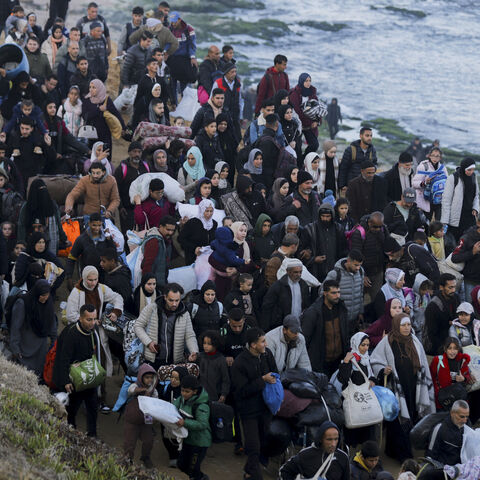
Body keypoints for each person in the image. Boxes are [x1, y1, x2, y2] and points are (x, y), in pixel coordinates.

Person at [370, 314, 435, 462]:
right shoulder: (387, 342)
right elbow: (374, 361)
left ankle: (393, 450)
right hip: (395, 390)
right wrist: (383, 370)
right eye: (403, 325)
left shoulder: (415, 341)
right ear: (396, 326)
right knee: (397, 421)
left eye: (408, 325)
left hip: (413, 388)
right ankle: (403, 456)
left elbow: (423, 363)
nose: (406, 328)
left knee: (410, 417)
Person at [231, 328, 278, 480]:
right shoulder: (240, 363)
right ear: (253, 345)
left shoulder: (267, 355)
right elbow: (241, 391)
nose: (266, 344)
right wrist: (262, 380)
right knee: (253, 446)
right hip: (248, 411)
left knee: (264, 442)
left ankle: (249, 471)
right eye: (262, 341)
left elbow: (275, 372)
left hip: (265, 408)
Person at [52, 304, 101, 437]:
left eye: (94, 319)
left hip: (88, 377)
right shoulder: (71, 333)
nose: (92, 323)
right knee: (72, 410)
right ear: (80, 318)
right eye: (88, 319)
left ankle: (92, 436)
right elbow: (63, 358)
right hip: (75, 380)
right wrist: (66, 381)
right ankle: (71, 435)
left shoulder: (93, 331)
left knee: (92, 408)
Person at [134, 283, 199, 369]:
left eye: (177, 300)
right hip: (153, 359)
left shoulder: (184, 314)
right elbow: (138, 326)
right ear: (165, 297)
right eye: (171, 300)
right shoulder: (152, 308)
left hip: (174, 361)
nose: (174, 304)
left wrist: (194, 351)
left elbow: (189, 335)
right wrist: (148, 342)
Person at [301, 279, 349, 376]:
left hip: (338, 361)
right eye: (334, 293)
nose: (338, 296)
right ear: (325, 293)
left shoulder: (341, 308)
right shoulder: (313, 312)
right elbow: (305, 338)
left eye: (339, 292)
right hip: (320, 362)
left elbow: (346, 332)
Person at [338, 335, 378, 449]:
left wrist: (372, 380)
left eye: (367, 345)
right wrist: (346, 362)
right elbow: (343, 378)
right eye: (363, 345)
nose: (365, 348)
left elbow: (371, 375)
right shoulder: (350, 358)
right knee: (353, 431)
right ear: (356, 344)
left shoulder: (366, 358)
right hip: (352, 400)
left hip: (365, 399)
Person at [9, 279, 56, 377]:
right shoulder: (23, 303)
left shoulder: (48, 303)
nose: (45, 298)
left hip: (40, 347)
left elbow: (51, 322)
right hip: (25, 346)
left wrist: (53, 342)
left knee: (38, 374)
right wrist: (15, 349)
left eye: (47, 295)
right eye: (42, 296)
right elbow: (15, 327)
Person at [279, 420, 350, 480]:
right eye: (329, 439)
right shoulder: (306, 455)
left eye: (336, 439)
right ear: (321, 439)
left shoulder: (343, 458)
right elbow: (284, 471)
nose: (333, 444)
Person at [174, 374, 212, 480]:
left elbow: (202, 424)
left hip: (200, 443)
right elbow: (173, 408)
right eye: (182, 390)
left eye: (187, 391)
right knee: (181, 465)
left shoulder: (202, 406)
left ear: (194, 391)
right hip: (188, 440)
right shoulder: (181, 399)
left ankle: (200, 477)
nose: (183, 393)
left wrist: (184, 423)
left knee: (193, 469)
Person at [349, 212, 390, 304]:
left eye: (380, 227)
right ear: (369, 223)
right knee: (358, 302)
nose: (378, 229)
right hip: (361, 272)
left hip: (377, 271)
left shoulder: (383, 229)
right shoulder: (359, 233)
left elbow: (388, 245)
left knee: (377, 301)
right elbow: (355, 256)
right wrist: (362, 274)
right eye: (375, 227)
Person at [17, 178, 66, 254]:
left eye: (44, 189)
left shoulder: (52, 205)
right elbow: (21, 225)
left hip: (49, 242)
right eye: (40, 189)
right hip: (30, 242)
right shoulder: (27, 207)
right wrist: (21, 242)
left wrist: (63, 238)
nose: (43, 192)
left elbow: (58, 224)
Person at [123, 363, 158, 468]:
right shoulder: (135, 385)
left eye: (152, 378)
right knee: (129, 442)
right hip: (132, 420)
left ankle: (145, 457)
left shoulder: (153, 391)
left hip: (146, 419)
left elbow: (155, 403)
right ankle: (127, 460)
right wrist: (142, 390)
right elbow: (130, 390)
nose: (149, 380)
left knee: (148, 441)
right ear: (141, 376)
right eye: (147, 377)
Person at [65, 213, 117, 284]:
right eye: (94, 225)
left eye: (99, 225)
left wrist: (109, 240)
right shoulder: (82, 239)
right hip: (88, 276)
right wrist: (69, 277)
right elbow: (72, 258)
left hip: (104, 276)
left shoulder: (106, 238)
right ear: (89, 224)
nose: (97, 228)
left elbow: (114, 254)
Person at [262, 259, 311, 332]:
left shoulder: (303, 285)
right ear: (288, 271)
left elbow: (306, 304)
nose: (299, 275)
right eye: (295, 272)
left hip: (299, 324)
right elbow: (267, 307)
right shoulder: (278, 286)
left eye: (300, 272)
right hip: (281, 325)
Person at [324, 249, 365, 335]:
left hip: (354, 320)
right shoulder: (335, 274)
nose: (358, 268)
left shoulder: (361, 272)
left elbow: (361, 293)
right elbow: (323, 293)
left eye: (360, 265)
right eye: (356, 265)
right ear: (348, 261)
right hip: (338, 319)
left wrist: (361, 311)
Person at [303, 202, 347, 282]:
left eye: (328, 216)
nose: (325, 219)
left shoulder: (339, 229)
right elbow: (303, 251)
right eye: (323, 216)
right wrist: (313, 259)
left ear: (332, 216)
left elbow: (344, 250)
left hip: (335, 270)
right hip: (316, 272)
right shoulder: (310, 229)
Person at [82, 80, 125, 154]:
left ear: (99, 88)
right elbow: (86, 116)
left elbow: (116, 113)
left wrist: (124, 127)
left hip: (105, 134)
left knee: (106, 157)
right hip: (91, 135)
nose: (91, 89)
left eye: (94, 87)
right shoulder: (87, 100)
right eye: (90, 87)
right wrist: (99, 110)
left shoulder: (106, 100)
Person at [441, 158, 479, 242]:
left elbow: (476, 195)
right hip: (456, 218)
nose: (471, 172)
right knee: (454, 243)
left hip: (470, 216)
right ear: (464, 168)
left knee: (469, 241)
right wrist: (444, 221)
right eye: (469, 170)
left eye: (473, 169)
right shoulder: (453, 178)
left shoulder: (473, 176)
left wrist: (475, 208)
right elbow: (446, 200)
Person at [429, 337, 471, 410]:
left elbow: (468, 376)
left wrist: (463, 378)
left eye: (455, 348)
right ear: (445, 349)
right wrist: (437, 392)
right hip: (443, 400)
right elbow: (431, 377)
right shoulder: (438, 360)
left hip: (458, 399)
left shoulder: (462, 361)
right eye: (450, 348)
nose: (452, 351)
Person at [423, 273, 460, 355]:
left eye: (454, 287)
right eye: (450, 287)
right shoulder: (433, 307)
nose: (453, 290)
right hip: (439, 347)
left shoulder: (456, 298)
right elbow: (432, 333)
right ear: (441, 287)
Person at [426, 399, 469, 468]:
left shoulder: (467, 426)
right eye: (461, 416)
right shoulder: (439, 429)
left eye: (467, 416)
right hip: (446, 469)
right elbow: (430, 457)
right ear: (452, 413)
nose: (464, 420)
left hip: (464, 467)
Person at [167, 11, 197, 101]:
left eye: (175, 21)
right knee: (172, 85)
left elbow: (192, 45)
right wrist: (165, 52)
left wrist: (192, 57)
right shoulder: (169, 29)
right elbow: (167, 43)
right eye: (171, 21)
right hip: (173, 60)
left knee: (185, 86)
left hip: (184, 60)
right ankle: (174, 104)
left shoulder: (189, 30)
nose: (173, 23)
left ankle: (185, 106)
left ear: (179, 20)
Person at [338, 126, 378, 193]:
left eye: (371, 136)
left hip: (367, 185)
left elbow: (375, 163)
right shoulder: (350, 150)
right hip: (352, 186)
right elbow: (343, 169)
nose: (369, 138)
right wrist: (342, 185)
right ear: (361, 136)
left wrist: (374, 169)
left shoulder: (372, 150)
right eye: (367, 135)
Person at [141, 215, 176, 288]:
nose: (170, 233)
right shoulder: (154, 241)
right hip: (154, 284)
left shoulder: (166, 240)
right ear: (161, 227)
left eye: (172, 230)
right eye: (168, 230)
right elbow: (147, 264)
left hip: (161, 280)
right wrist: (148, 284)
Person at [289, 72, 320, 155]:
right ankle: (299, 165)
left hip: (309, 126)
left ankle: (305, 160)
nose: (308, 83)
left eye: (310, 80)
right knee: (297, 148)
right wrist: (309, 122)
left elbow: (318, 108)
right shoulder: (294, 93)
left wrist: (317, 121)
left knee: (314, 145)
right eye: (306, 81)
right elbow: (297, 111)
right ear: (301, 81)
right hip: (297, 124)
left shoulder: (312, 94)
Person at [178, 199, 217, 265]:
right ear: (201, 210)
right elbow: (181, 239)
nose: (209, 214)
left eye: (211, 211)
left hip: (208, 258)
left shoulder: (214, 224)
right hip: (193, 257)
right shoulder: (192, 223)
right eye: (207, 211)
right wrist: (194, 248)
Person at [412, 146, 446, 220]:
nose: (435, 158)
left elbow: (447, 182)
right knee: (426, 223)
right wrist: (424, 182)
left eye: (437, 156)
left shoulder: (443, 168)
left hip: (439, 200)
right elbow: (414, 183)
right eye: (433, 155)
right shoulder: (423, 167)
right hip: (426, 200)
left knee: (438, 223)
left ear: (440, 158)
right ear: (429, 156)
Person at [197, 330, 230, 401]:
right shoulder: (200, 357)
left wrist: (223, 394)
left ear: (215, 344)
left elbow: (225, 379)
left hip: (215, 396)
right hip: (200, 395)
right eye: (204, 343)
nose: (205, 346)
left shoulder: (221, 360)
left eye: (209, 344)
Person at [212, 63, 242, 140]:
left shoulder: (238, 83)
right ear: (226, 73)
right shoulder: (218, 83)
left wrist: (240, 116)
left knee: (236, 137)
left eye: (235, 71)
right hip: (222, 114)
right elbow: (211, 100)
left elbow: (240, 100)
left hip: (235, 115)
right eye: (232, 72)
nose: (234, 74)